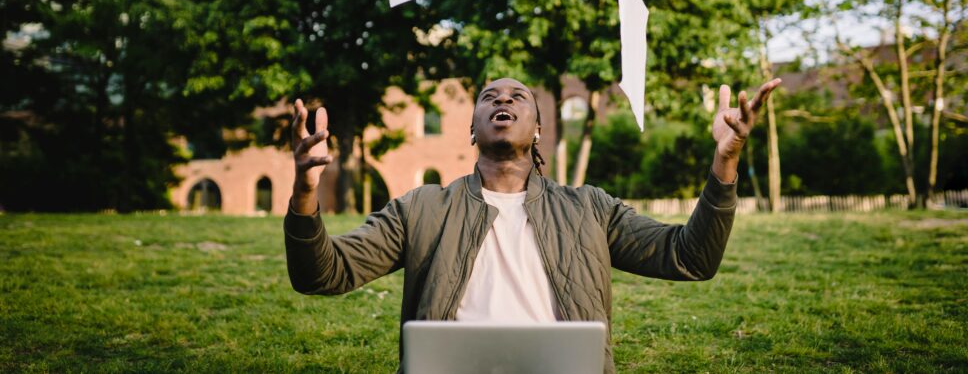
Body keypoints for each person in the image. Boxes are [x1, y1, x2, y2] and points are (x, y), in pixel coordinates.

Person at [284, 76, 781, 373]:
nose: (503, 100)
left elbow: (689, 258)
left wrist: (726, 161)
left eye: (518, 96)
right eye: (489, 96)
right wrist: (306, 192)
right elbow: (322, 275)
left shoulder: (589, 207)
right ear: (472, 128)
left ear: (538, 129)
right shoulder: (421, 207)